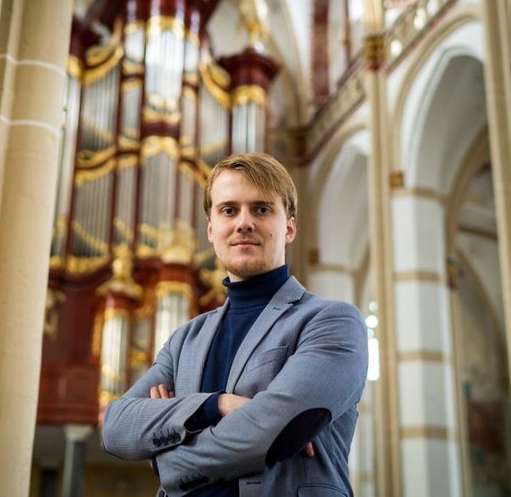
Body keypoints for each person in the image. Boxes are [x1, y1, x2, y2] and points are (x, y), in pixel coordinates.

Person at [102, 153, 368, 497]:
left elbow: (271, 432)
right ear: (212, 229)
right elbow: (116, 427)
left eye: (261, 209)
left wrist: (164, 460)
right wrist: (217, 404)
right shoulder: (185, 339)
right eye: (229, 210)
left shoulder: (331, 322)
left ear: (288, 227)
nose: (244, 222)